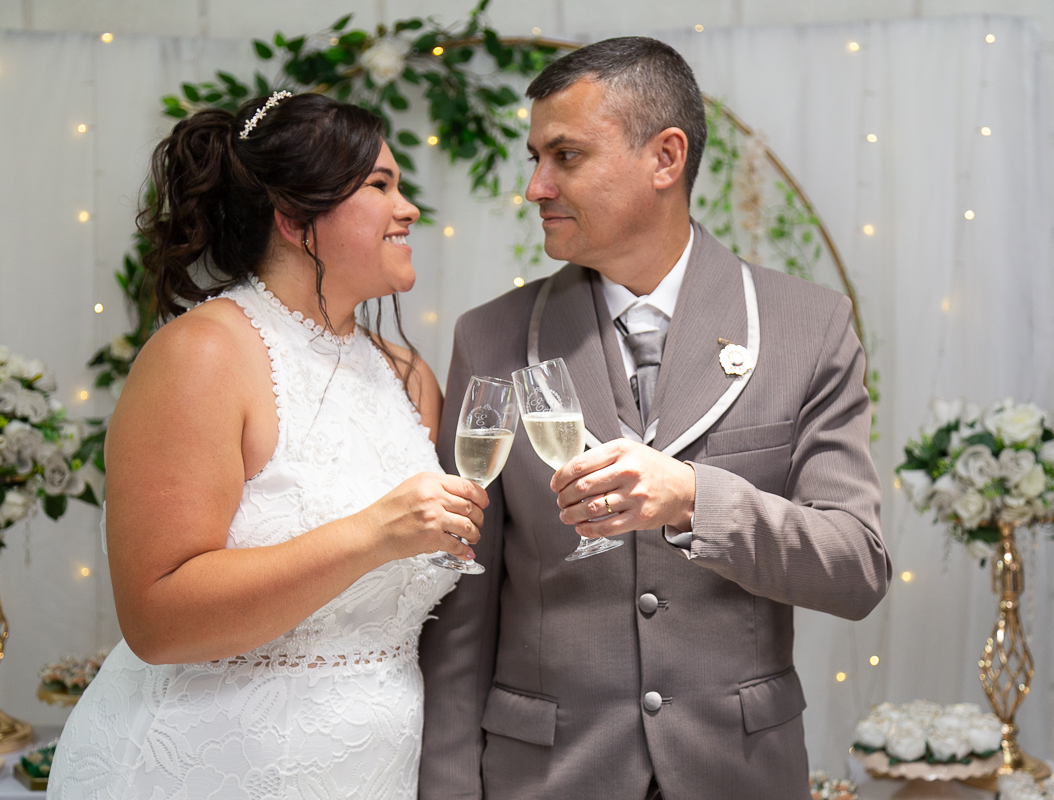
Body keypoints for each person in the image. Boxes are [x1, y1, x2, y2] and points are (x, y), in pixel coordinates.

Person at [419, 37, 891, 799]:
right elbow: (460, 606)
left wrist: (695, 499)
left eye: (565, 156)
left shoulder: (811, 326)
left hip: (737, 775)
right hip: (544, 777)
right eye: (534, 156)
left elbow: (856, 568)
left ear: (665, 157)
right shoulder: (491, 337)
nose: (536, 186)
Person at [48, 92, 488, 799]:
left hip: (370, 771)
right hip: (206, 768)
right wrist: (374, 533)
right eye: (380, 186)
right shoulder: (204, 353)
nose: (407, 209)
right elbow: (158, 621)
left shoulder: (408, 376)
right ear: (294, 220)